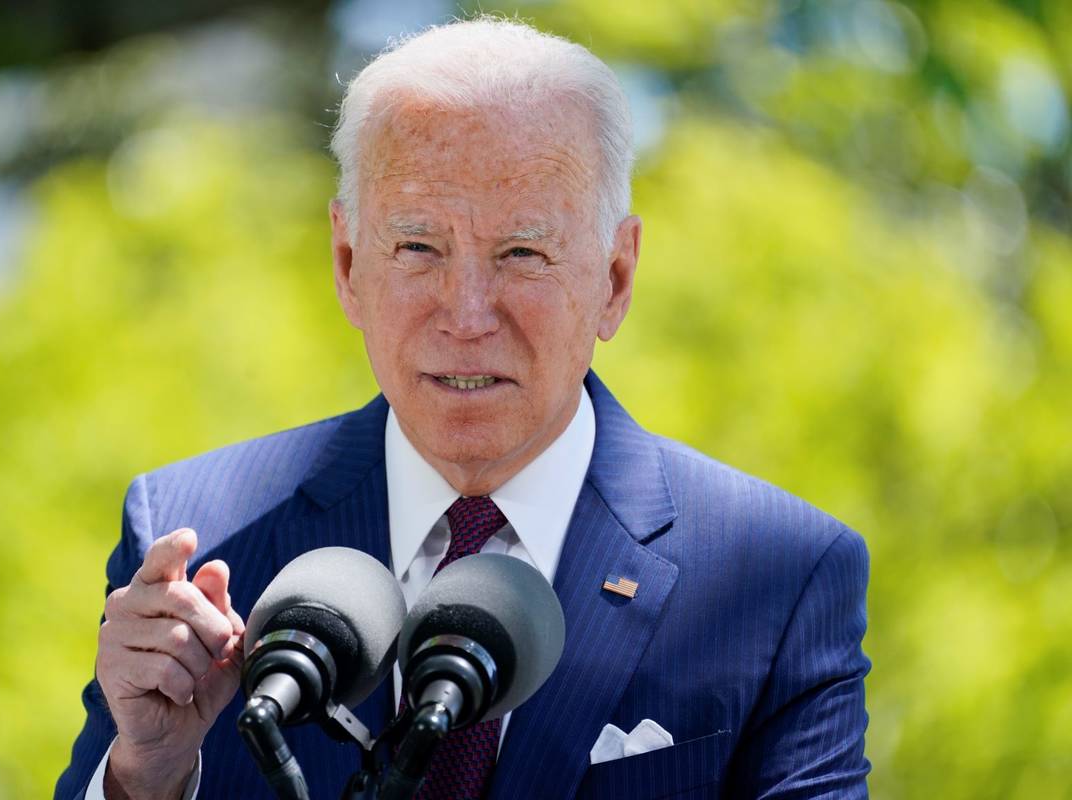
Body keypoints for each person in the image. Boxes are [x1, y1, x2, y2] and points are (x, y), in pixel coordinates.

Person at [56, 17, 871, 800]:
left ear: (615, 280)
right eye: (418, 248)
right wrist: (147, 777)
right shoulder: (199, 540)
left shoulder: (780, 578)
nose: (467, 313)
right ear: (347, 263)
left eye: (522, 253)